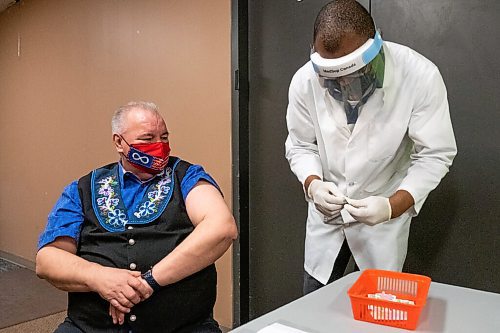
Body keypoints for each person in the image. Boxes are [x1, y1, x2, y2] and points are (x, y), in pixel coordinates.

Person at [285, 0, 457, 294]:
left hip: (382, 216)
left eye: (352, 74)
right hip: (327, 221)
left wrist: (391, 206)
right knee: (314, 301)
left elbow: (434, 155)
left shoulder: (419, 76)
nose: (343, 85)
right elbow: (300, 145)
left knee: (379, 310)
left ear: (374, 49)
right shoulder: (305, 81)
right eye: (332, 79)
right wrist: (313, 185)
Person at [36, 101, 238, 332]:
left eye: (164, 137)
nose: (159, 146)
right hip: (92, 327)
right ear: (119, 142)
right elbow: (47, 260)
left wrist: (145, 283)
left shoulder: (187, 177)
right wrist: (100, 277)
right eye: (147, 138)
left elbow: (221, 228)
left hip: (182, 326)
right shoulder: (82, 189)